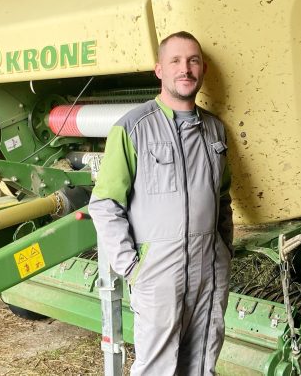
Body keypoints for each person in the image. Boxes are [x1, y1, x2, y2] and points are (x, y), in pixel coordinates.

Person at [89, 31, 233, 376]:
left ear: (203, 70)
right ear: (159, 70)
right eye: (176, 61)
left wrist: (223, 251)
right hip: (158, 274)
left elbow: (222, 198)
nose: (186, 69)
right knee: (157, 368)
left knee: (202, 363)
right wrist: (133, 268)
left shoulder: (215, 131)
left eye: (193, 60)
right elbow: (105, 203)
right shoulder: (132, 128)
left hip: (209, 270)